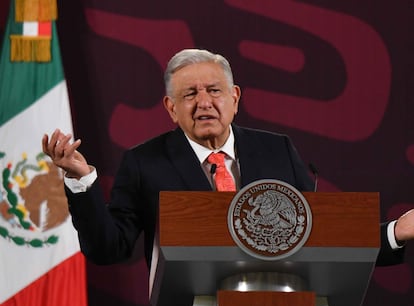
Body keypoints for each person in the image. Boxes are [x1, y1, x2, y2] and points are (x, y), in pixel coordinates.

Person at [42, 48, 411, 269]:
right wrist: (81, 180)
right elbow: (109, 249)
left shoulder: (276, 149)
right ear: (171, 108)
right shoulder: (144, 163)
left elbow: (319, 236)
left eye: (214, 90)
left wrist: (395, 232)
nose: (204, 102)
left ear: (234, 97)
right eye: (190, 94)